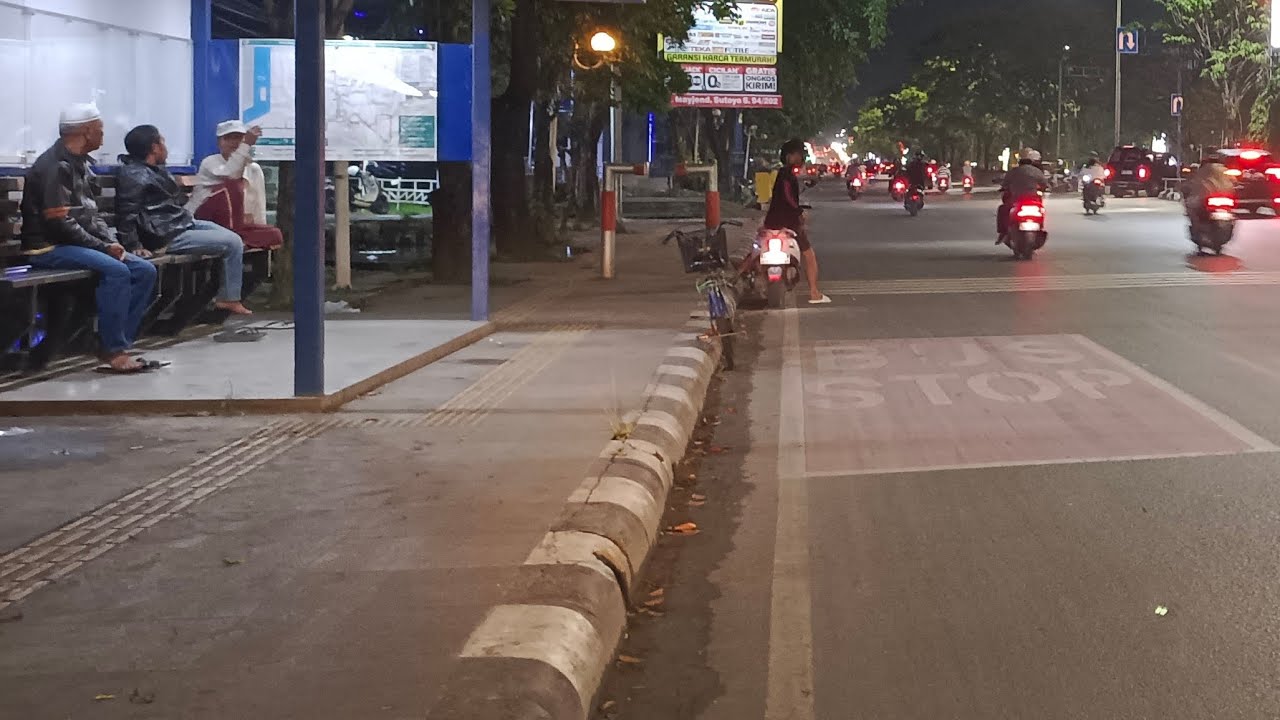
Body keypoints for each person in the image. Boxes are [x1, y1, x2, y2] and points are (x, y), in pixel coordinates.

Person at [19, 103, 157, 373]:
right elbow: (59, 223)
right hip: (48, 247)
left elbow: (92, 216)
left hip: (76, 244)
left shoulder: (80, 163)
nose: (103, 135)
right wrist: (104, 247)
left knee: (144, 270)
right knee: (116, 271)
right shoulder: (53, 166)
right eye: (100, 129)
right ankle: (113, 350)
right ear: (86, 131)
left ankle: (117, 343)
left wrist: (109, 242)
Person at [116, 124, 251, 315]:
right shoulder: (135, 175)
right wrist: (133, 244)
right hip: (164, 234)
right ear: (154, 148)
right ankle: (228, 298)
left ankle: (227, 296)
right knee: (232, 242)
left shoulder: (155, 170)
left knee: (232, 237)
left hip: (179, 223)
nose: (166, 147)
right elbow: (127, 213)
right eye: (162, 142)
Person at [760, 138, 830, 304]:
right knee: (809, 255)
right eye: (798, 154)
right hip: (788, 222)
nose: (801, 158)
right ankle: (814, 292)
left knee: (758, 250)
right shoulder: (786, 174)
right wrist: (799, 212)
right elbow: (788, 197)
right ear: (789, 156)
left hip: (772, 221)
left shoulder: (784, 174)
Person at [186, 120, 263, 218]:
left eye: (239, 138)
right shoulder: (209, 162)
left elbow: (258, 206)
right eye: (228, 138)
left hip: (237, 221)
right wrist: (246, 145)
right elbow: (232, 175)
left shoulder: (253, 169)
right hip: (202, 220)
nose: (234, 142)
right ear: (219, 142)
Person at [997, 147, 1048, 242]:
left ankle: (1002, 232)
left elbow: (1005, 184)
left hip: (1016, 199)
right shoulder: (1037, 172)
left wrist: (1003, 188)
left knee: (1002, 209)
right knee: (1041, 210)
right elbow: (1045, 184)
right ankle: (1040, 227)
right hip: (1033, 199)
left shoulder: (1013, 171)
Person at [1184, 153, 1234, 234]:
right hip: (1224, 197)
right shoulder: (1225, 170)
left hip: (1208, 197)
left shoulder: (1203, 170)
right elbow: (1234, 182)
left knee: (1192, 208)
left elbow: (1194, 184)